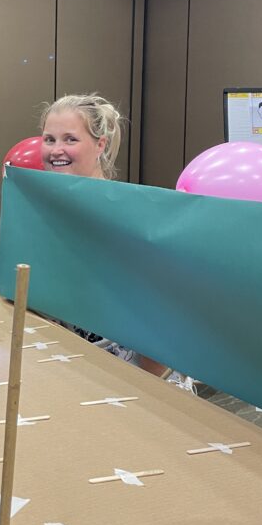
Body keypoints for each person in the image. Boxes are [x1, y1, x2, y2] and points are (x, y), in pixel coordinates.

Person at [40, 94, 189, 384]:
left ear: (100, 145)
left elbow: (164, 314)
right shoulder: (42, 213)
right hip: (69, 373)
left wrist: (138, 390)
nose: (56, 150)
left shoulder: (131, 215)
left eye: (70, 139)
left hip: (134, 379)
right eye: (49, 139)